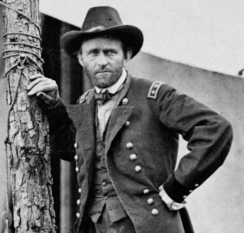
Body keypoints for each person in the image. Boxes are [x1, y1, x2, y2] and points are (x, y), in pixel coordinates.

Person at [27, 6, 233, 233]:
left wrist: (176, 188)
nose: (102, 61)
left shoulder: (154, 95)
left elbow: (215, 129)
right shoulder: (85, 102)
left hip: (148, 226)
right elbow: (72, 150)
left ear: (126, 54)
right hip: (96, 227)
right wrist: (55, 105)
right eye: (93, 53)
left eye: (110, 52)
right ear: (80, 58)